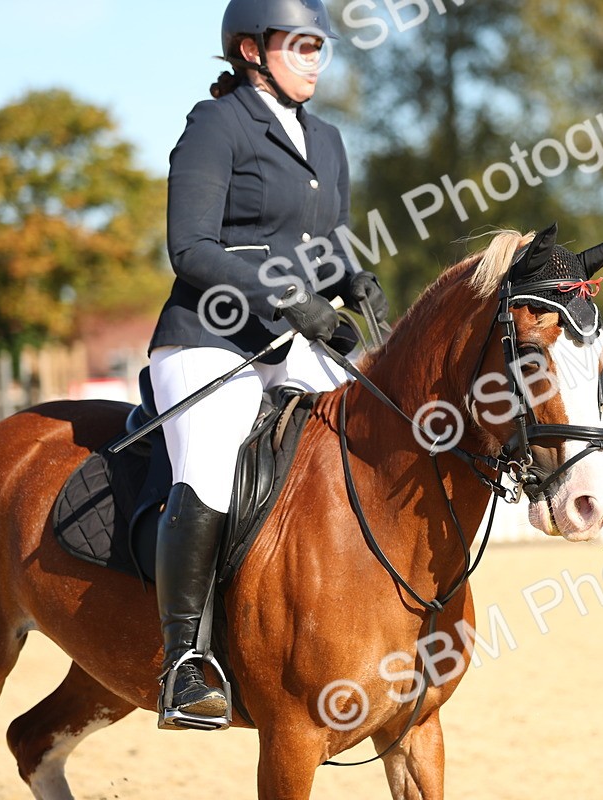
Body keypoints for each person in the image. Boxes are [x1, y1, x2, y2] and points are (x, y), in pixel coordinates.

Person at [147, 0, 388, 725]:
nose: (317, 58)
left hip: (292, 343)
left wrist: (356, 279)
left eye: (322, 46)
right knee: (212, 465)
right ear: (252, 50)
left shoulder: (328, 138)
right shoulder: (215, 125)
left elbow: (331, 240)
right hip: (207, 339)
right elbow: (189, 248)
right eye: (302, 44)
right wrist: (289, 297)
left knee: (369, 440)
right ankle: (184, 661)